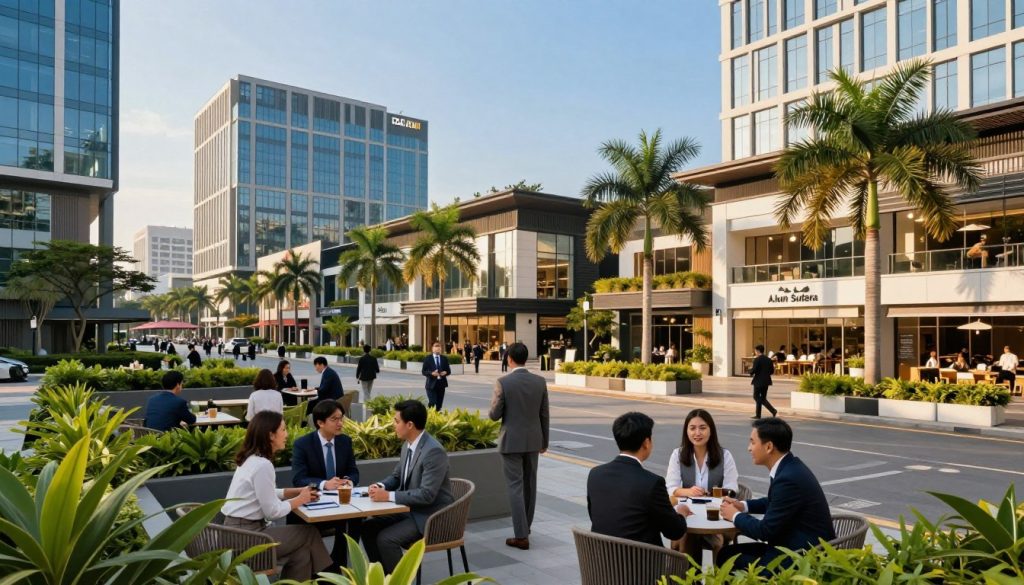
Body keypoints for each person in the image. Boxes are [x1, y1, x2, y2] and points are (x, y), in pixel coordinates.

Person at [222, 411, 332, 579]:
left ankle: (320, 577)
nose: (286, 434)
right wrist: (301, 499)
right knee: (308, 533)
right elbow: (272, 512)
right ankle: (329, 575)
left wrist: (293, 492)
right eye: (283, 429)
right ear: (270, 435)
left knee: (301, 554)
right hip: (246, 539)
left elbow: (263, 493)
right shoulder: (263, 465)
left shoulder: (250, 459)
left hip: (235, 534)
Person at [719, 418, 834, 569]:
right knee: (726, 554)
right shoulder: (791, 466)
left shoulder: (788, 478)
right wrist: (743, 505)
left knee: (726, 559)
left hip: (801, 558)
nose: (749, 448)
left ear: (768, 447)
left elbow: (765, 531)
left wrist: (734, 515)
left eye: (753, 442)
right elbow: (774, 501)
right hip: (794, 546)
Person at [363, 400, 455, 573]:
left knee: (386, 539)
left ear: (410, 425)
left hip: (430, 516)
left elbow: (427, 495)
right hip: (410, 510)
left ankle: (399, 580)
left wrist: (388, 496)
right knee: (367, 528)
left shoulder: (433, 451)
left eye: (396, 421)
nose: (393, 425)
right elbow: (397, 476)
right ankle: (383, 577)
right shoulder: (408, 445)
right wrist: (380, 485)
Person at [587, 412, 690, 547]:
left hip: (604, 562)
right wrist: (681, 512)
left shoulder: (595, 474)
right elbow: (674, 532)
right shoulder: (652, 483)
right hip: (642, 565)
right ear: (646, 443)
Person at [489, 342, 550, 550]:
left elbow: (494, 415)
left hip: (511, 441)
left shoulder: (503, 382)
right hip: (533, 441)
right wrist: (544, 442)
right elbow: (544, 415)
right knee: (530, 485)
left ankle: (521, 535)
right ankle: (526, 528)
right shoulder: (540, 381)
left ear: (509, 359)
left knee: (515, 486)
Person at [291, 399, 360, 567]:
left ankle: (338, 562)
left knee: (357, 518)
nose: (340, 423)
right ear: (320, 423)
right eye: (334, 419)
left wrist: (348, 482)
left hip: (340, 501)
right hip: (314, 501)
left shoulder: (344, 441)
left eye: (341, 418)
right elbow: (299, 478)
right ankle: (316, 566)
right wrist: (324, 484)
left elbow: (353, 472)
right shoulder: (303, 444)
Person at [667, 409, 739, 559]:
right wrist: (689, 491)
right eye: (692, 428)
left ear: (711, 430)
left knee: (717, 540)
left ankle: (718, 579)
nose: (697, 433)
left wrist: (713, 494)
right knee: (688, 536)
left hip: (717, 516)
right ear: (686, 431)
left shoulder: (725, 455)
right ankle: (691, 580)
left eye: (702, 428)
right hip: (690, 514)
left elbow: (732, 488)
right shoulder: (678, 455)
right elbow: (671, 488)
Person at [750, 345, 777, 419]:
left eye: (755, 351)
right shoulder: (769, 359)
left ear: (758, 351)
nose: (755, 352)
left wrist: (750, 372)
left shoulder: (757, 359)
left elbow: (754, 369)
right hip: (766, 381)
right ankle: (759, 414)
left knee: (756, 396)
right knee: (763, 398)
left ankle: (772, 410)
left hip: (758, 381)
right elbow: (772, 371)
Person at [421, 342, 451, 409]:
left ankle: (437, 417)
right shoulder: (428, 358)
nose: (437, 349)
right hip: (431, 384)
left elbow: (448, 371)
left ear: (441, 349)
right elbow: (423, 371)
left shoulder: (444, 359)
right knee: (432, 402)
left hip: (441, 384)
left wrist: (445, 372)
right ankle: (430, 413)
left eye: (439, 348)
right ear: (432, 349)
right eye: (436, 348)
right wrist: (431, 373)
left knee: (439, 404)